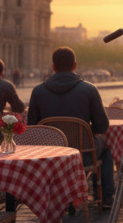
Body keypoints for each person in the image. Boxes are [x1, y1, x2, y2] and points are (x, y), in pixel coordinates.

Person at [27, 47, 114, 207]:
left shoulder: (38, 91)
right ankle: (105, 196)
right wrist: (86, 129)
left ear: (53, 67)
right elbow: (102, 126)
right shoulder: (89, 89)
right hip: (84, 153)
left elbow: (32, 128)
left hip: (52, 156)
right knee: (106, 150)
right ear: (75, 65)